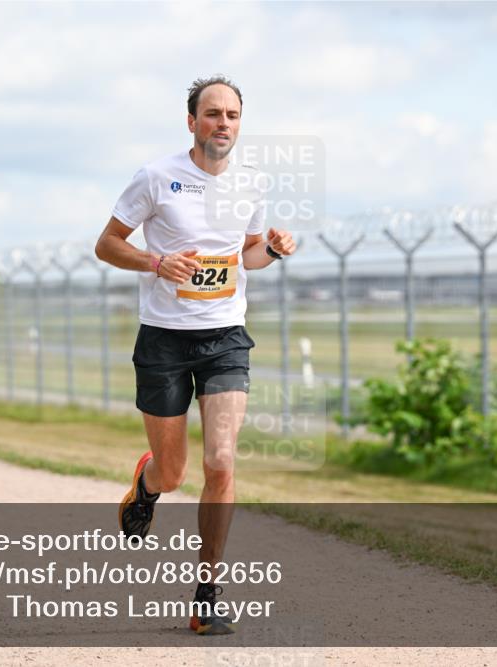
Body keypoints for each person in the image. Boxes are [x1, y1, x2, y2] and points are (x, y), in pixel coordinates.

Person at [94, 75, 295, 635]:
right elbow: (107, 244)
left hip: (224, 337)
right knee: (175, 472)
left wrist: (271, 249)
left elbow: (246, 256)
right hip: (163, 338)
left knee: (221, 461)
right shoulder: (156, 177)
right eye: (212, 113)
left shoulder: (251, 183)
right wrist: (156, 263)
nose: (222, 123)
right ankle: (147, 484)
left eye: (232, 114)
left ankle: (207, 595)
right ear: (192, 122)